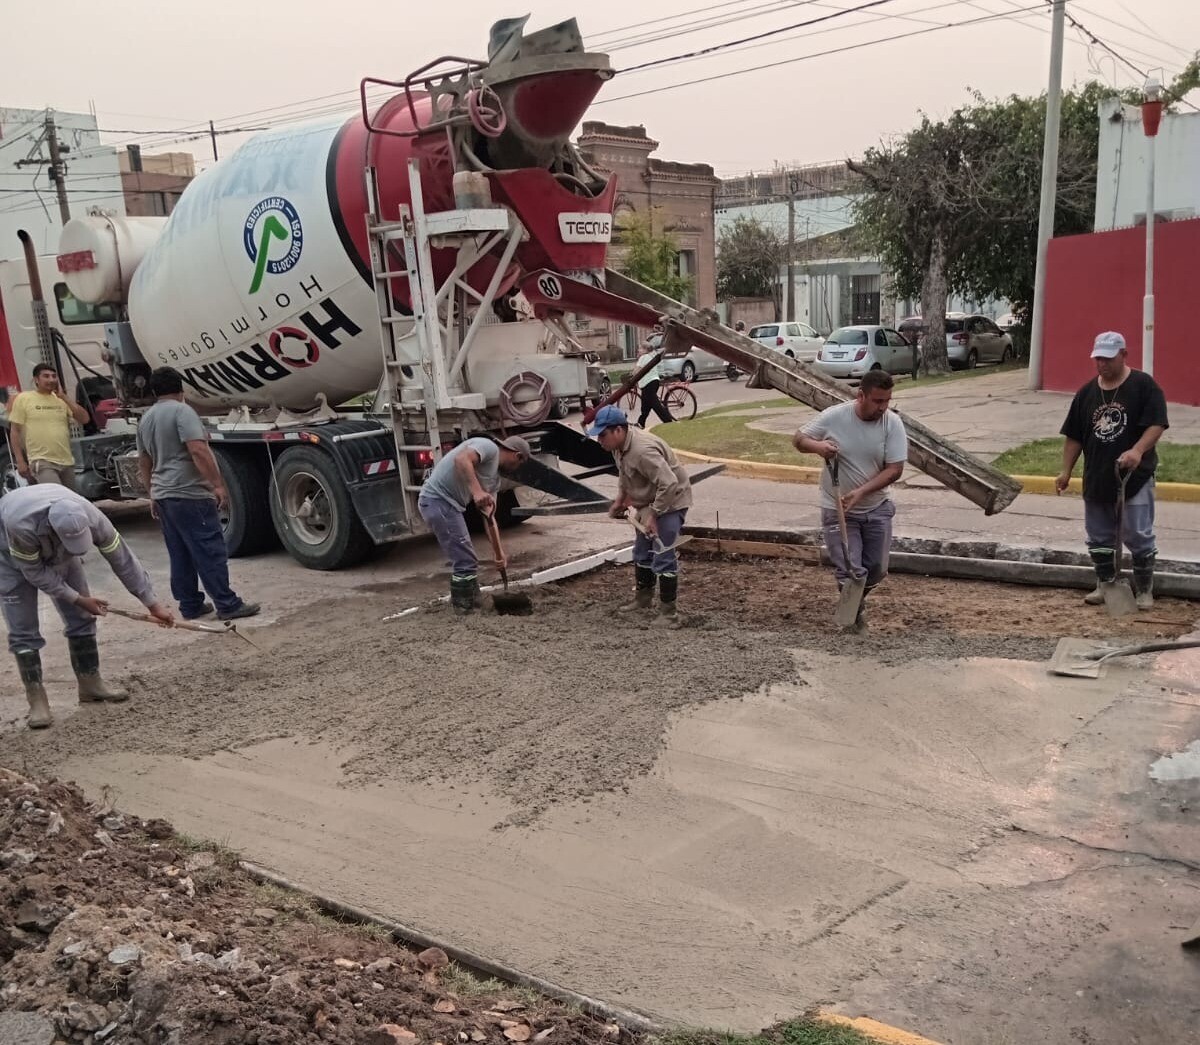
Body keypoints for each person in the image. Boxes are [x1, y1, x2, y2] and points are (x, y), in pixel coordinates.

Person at [0, 484, 174, 729]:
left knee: (82, 618)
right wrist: (78, 598)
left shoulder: (92, 516)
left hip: (59, 553)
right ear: (53, 529)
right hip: (10, 558)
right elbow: (35, 573)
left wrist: (151, 603)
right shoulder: (21, 526)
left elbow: (122, 559)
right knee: (23, 630)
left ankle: (90, 683)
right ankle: (37, 700)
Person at [136, 367, 260, 622]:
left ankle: (190, 605)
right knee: (209, 549)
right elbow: (198, 450)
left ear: (154, 391)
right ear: (181, 390)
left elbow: (144, 462)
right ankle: (227, 604)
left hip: (164, 494)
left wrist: (152, 494)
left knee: (180, 551)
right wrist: (217, 485)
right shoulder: (183, 412)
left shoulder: (146, 419)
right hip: (189, 492)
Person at [1056, 331, 1169, 610]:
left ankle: (1144, 589)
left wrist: (1137, 451)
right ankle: (1105, 584)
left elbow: (1157, 424)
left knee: (1136, 533)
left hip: (1134, 476)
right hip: (1097, 476)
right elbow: (1074, 436)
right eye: (1098, 359)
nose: (1102, 364)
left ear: (1123, 355)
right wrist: (1065, 471)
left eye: (1108, 358)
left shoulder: (1144, 386)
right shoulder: (1086, 393)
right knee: (1099, 535)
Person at [792, 369, 908, 633]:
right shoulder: (835, 416)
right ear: (861, 396)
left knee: (876, 569)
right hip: (839, 509)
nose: (883, 407)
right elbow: (799, 439)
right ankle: (854, 619)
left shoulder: (892, 423)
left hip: (876, 507)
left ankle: (852, 606)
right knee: (850, 568)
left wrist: (861, 492)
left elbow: (895, 469)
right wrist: (818, 447)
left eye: (887, 400)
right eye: (878, 401)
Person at [590, 405, 693, 626]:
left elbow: (670, 484)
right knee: (641, 551)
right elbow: (625, 476)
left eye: (603, 434)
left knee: (662, 553)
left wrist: (653, 516)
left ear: (618, 430)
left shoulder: (642, 451)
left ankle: (669, 614)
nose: (599, 440)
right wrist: (621, 500)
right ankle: (643, 599)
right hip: (651, 499)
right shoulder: (619, 447)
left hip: (671, 500)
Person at [417, 434, 532, 614]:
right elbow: (461, 459)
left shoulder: (494, 480)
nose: (517, 468)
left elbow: (489, 517)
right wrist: (477, 491)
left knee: (467, 558)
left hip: (448, 505)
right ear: (517, 456)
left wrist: (498, 552)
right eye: (520, 463)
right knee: (464, 560)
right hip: (437, 500)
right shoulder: (488, 447)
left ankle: (473, 600)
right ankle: (464, 609)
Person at [8, 363, 91, 489]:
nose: (51, 380)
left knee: (70, 501)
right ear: (36, 379)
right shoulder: (24, 398)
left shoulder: (60, 400)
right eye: (46, 376)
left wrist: (64, 397)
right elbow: (15, 431)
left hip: (66, 461)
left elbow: (84, 419)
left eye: (54, 376)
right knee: (56, 497)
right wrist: (20, 461)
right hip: (42, 461)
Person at [635, 326, 673, 428]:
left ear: (645, 349)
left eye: (639, 348)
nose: (638, 350)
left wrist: (632, 376)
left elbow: (637, 371)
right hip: (653, 381)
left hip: (648, 383)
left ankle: (668, 420)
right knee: (645, 405)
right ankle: (641, 422)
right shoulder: (650, 356)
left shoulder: (643, 357)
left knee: (655, 404)